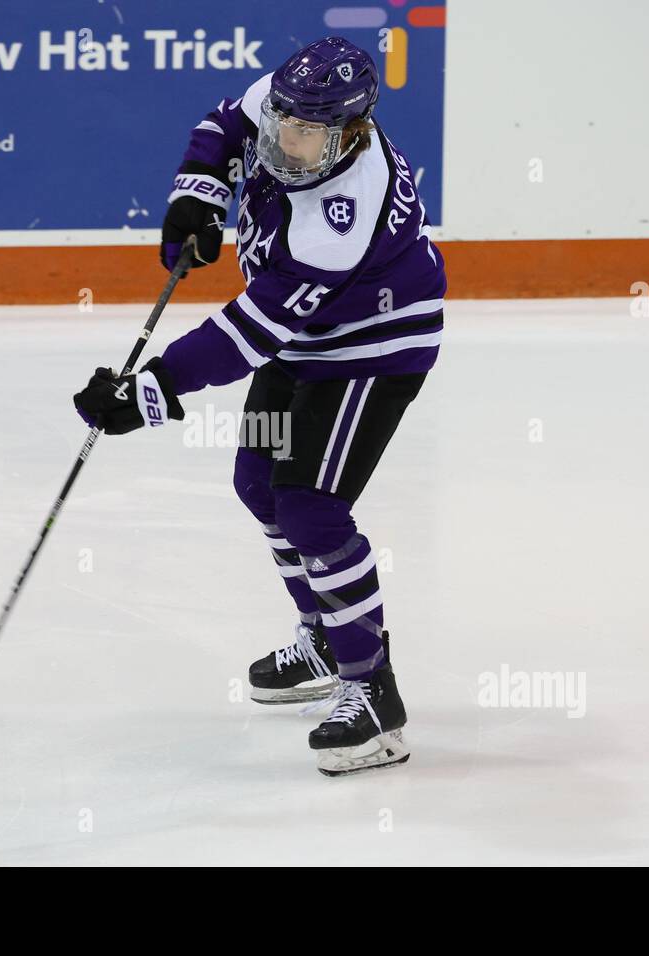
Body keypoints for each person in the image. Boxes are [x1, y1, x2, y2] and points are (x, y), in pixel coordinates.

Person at [74, 36, 445, 775]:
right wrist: (195, 198)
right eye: (284, 123)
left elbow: (248, 333)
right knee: (257, 486)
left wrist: (152, 390)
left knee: (309, 505)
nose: (287, 141)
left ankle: (373, 693)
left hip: (369, 347)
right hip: (304, 340)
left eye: (308, 134)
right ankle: (325, 638)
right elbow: (222, 126)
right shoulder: (292, 98)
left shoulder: (339, 217)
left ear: (352, 133)